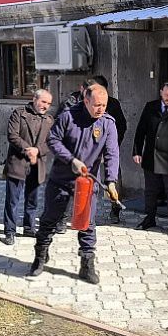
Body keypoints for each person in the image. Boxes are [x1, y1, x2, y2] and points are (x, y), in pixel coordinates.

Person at [31, 85, 120, 284]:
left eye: (104, 105)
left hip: (87, 185)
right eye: (97, 105)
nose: (101, 109)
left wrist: (111, 181)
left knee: (87, 225)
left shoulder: (107, 124)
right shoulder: (67, 116)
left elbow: (112, 153)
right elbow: (52, 140)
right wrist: (71, 160)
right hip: (61, 181)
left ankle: (87, 265)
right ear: (86, 101)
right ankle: (40, 256)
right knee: (49, 219)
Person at [57, 75, 127, 224]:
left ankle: (115, 209)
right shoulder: (73, 104)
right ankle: (64, 217)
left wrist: (110, 147)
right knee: (74, 183)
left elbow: (121, 126)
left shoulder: (113, 104)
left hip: (106, 151)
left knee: (113, 179)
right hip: (83, 154)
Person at [132, 82, 168, 236]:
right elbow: (141, 131)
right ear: (160, 93)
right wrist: (137, 151)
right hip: (151, 157)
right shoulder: (150, 107)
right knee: (151, 192)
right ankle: (150, 218)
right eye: (166, 95)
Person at [2, 89, 54, 245]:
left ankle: (29, 227)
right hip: (18, 162)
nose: (45, 106)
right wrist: (28, 150)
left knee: (32, 199)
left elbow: (52, 141)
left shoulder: (50, 120)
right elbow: (12, 135)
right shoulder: (19, 113)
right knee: (12, 200)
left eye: (49, 103)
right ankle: (10, 231)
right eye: (43, 102)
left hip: (37, 164)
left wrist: (37, 151)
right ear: (34, 99)